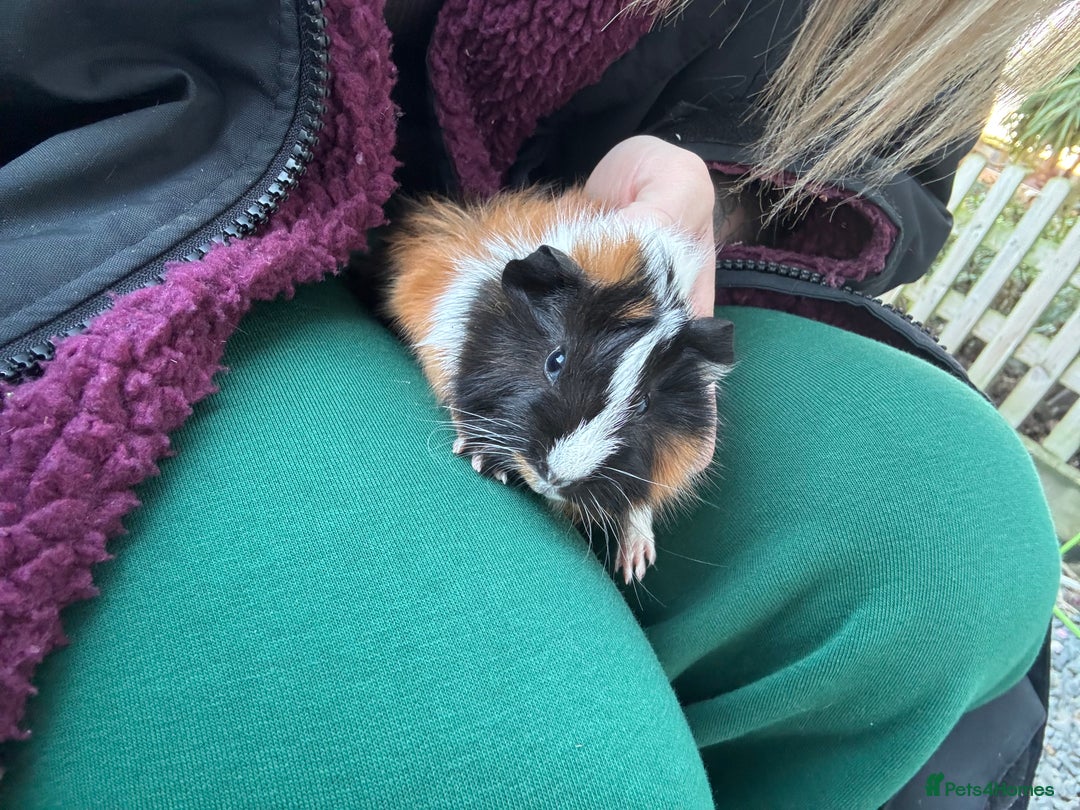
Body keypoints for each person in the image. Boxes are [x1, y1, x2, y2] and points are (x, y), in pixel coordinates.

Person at [0, 0, 1075, 806]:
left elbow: (900, 168)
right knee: (523, 765)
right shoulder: (489, 311)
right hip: (150, 201)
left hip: (553, 210)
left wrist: (704, 181)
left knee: (948, 538)